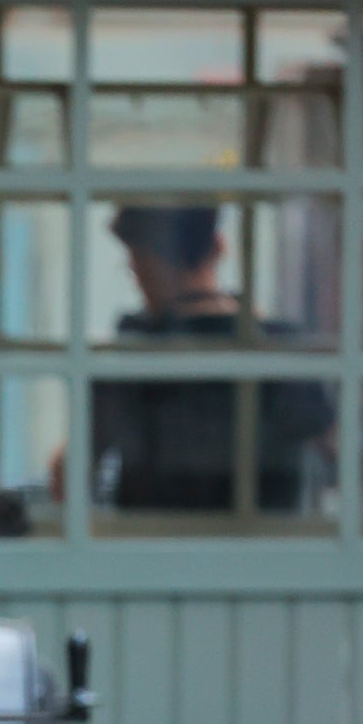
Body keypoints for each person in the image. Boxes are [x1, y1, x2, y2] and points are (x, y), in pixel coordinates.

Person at [90, 204, 335, 514]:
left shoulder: (134, 346)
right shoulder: (280, 343)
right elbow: (335, 448)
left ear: (145, 261)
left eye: (133, 265)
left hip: (152, 550)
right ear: (220, 246)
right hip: (267, 553)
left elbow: (71, 471)